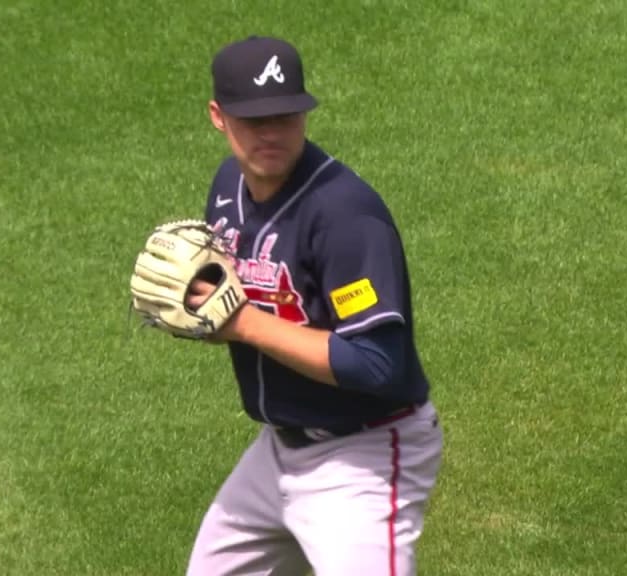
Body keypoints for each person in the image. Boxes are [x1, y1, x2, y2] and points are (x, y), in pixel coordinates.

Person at [183, 35, 443, 576]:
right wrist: (199, 310)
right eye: (254, 120)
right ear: (218, 116)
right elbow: (243, 301)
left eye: (284, 115)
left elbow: (375, 362)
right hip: (274, 452)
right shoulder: (228, 188)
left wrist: (242, 323)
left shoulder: (346, 216)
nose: (271, 133)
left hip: (363, 457)